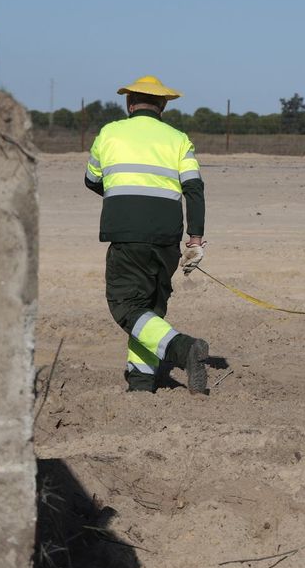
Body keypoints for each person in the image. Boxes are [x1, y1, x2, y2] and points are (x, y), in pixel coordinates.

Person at [84, 74, 211, 394]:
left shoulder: (109, 133)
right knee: (149, 310)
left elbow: (91, 179)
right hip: (167, 238)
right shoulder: (179, 139)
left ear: (129, 103)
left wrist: (123, 198)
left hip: (126, 235)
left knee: (125, 305)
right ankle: (141, 382)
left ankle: (184, 349)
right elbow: (194, 190)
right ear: (163, 105)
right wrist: (195, 240)